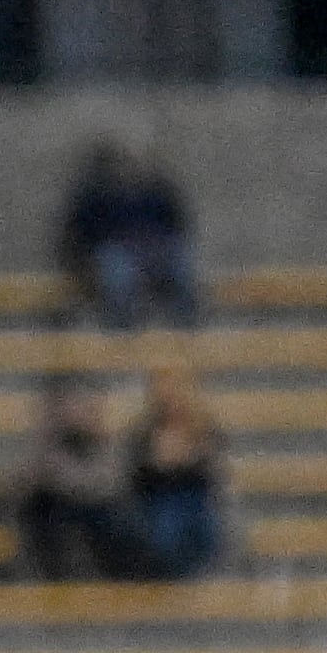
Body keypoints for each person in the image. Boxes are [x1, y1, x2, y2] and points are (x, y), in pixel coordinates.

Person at [62, 143, 198, 327]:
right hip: (116, 253)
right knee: (118, 271)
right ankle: (123, 333)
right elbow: (80, 237)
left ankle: (187, 330)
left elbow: (176, 226)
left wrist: (154, 248)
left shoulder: (155, 194)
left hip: (155, 250)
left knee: (180, 264)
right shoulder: (94, 198)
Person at [15, 379, 131, 580]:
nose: (80, 412)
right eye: (74, 404)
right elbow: (33, 476)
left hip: (98, 512)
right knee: (43, 508)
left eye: (86, 405)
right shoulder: (49, 439)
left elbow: (110, 482)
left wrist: (68, 484)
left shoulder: (109, 442)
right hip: (59, 515)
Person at [124, 369, 228, 580]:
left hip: (196, 499)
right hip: (159, 500)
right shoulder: (144, 432)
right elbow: (135, 478)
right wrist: (159, 464)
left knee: (210, 529)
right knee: (166, 529)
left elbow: (214, 472)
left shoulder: (202, 429)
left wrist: (190, 459)